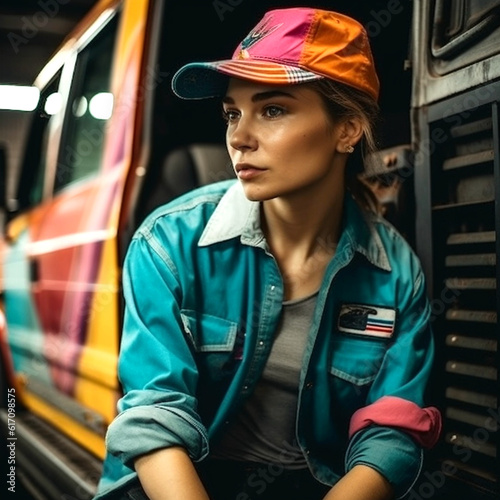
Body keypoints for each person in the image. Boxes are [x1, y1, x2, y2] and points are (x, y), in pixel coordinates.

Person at [95, 7, 442, 500]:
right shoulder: (168, 242)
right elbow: (154, 414)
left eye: (272, 109)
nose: (238, 136)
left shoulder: (396, 272)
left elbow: (391, 433)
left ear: (347, 130)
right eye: (232, 112)